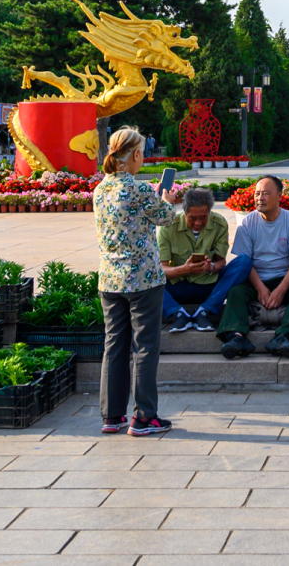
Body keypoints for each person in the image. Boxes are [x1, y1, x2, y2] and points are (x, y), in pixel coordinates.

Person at [93, 125, 176, 437]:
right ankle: (144, 418)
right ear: (137, 154)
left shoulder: (101, 190)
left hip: (110, 279)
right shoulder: (139, 190)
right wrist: (165, 198)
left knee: (114, 345)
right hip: (143, 279)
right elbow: (167, 217)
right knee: (145, 347)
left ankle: (112, 416)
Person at [217, 174, 289, 359]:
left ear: (280, 196)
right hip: (254, 278)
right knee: (235, 292)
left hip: (284, 278)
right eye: (257, 194)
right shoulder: (247, 222)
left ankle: (284, 337)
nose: (260, 198)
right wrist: (260, 287)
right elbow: (245, 260)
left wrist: (281, 290)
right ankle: (236, 337)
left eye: (266, 193)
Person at [159, 187, 233, 332]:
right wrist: (183, 270)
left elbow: (221, 262)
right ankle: (178, 313)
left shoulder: (219, 223)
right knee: (146, 275)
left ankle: (205, 310)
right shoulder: (168, 226)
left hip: (208, 285)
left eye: (203, 217)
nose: (198, 223)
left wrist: (209, 267)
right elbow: (161, 269)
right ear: (184, 212)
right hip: (178, 286)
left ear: (209, 212)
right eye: (192, 218)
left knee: (243, 262)